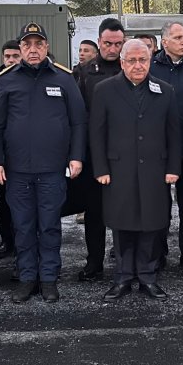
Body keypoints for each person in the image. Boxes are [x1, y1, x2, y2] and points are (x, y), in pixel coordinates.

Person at [0, 23, 86, 303]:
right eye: (27, 45)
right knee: (23, 225)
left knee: (50, 225)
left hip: (52, 169)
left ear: (47, 47)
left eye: (38, 44)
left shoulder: (64, 79)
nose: (33, 49)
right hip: (17, 170)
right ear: (20, 49)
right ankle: (27, 277)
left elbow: (78, 122)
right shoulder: (6, 80)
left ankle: (49, 278)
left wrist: (76, 156)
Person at [90, 39, 180, 300]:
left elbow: (174, 134)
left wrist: (173, 167)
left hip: (155, 170)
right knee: (122, 224)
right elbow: (97, 133)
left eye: (143, 60)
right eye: (132, 60)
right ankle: (123, 276)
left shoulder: (165, 91)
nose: (138, 65)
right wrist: (101, 168)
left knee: (151, 225)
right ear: (122, 62)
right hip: (119, 170)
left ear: (150, 61)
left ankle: (147, 276)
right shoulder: (104, 90)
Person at [149, 21, 183, 273]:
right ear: (165, 42)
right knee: (159, 206)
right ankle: (159, 253)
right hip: (158, 150)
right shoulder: (151, 66)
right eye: (178, 37)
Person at [76, 17, 126, 281]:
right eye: (108, 43)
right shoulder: (84, 73)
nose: (113, 48)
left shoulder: (130, 68)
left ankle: (122, 259)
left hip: (124, 155)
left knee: (122, 211)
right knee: (94, 212)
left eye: (118, 43)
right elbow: (78, 116)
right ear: (99, 42)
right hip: (95, 155)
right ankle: (93, 262)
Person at [0, 40, 22, 260]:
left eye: (15, 56)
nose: (10, 60)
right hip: (5, 157)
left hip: (23, 155)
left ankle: (22, 249)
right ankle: (6, 240)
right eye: (7, 56)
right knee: (5, 203)